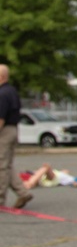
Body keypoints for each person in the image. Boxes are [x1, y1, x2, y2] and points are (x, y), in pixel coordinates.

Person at [0, 64, 33, 209]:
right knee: (7, 165)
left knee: (1, 167)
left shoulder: (2, 94)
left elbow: (0, 118)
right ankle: (22, 192)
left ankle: (0, 198)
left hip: (4, 131)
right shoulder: (12, 91)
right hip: (13, 129)